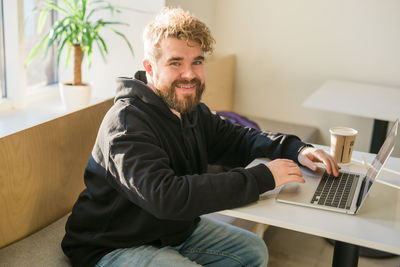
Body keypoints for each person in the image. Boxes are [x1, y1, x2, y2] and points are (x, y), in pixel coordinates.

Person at [61, 7, 340, 267]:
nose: (189, 74)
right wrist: (263, 177)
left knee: (253, 251)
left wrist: (296, 148)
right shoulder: (126, 124)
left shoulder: (190, 111)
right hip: (113, 244)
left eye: (197, 62)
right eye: (175, 63)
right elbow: (167, 196)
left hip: (172, 230)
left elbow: (239, 139)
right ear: (150, 67)